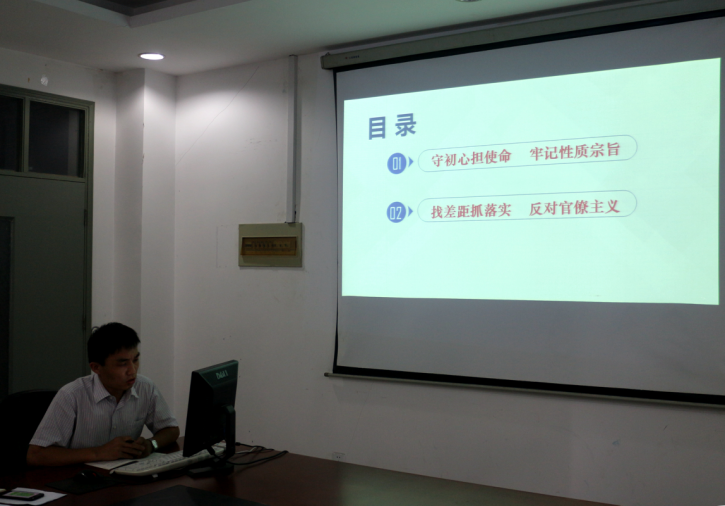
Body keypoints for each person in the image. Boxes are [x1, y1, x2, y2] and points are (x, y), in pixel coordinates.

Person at [26, 322, 180, 466]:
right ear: (96, 367)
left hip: (125, 473)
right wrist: (98, 453)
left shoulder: (145, 387)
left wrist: (151, 444)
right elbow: (36, 455)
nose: (132, 371)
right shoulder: (71, 395)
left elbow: (171, 430)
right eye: (123, 363)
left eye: (135, 360)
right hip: (79, 477)